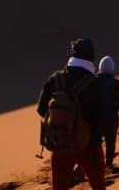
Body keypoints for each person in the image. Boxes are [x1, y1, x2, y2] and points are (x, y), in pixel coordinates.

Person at [37, 38, 105, 190]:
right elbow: (103, 116)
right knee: (98, 186)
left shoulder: (55, 79)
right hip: (89, 147)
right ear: (91, 58)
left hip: (61, 146)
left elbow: (41, 109)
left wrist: (61, 121)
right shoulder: (94, 84)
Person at [96, 56, 119, 168]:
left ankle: (95, 163)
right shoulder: (115, 83)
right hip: (111, 119)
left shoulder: (92, 81)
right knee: (110, 142)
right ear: (112, 68)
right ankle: (108, 164)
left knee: (95, 143)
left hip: (95, 119)